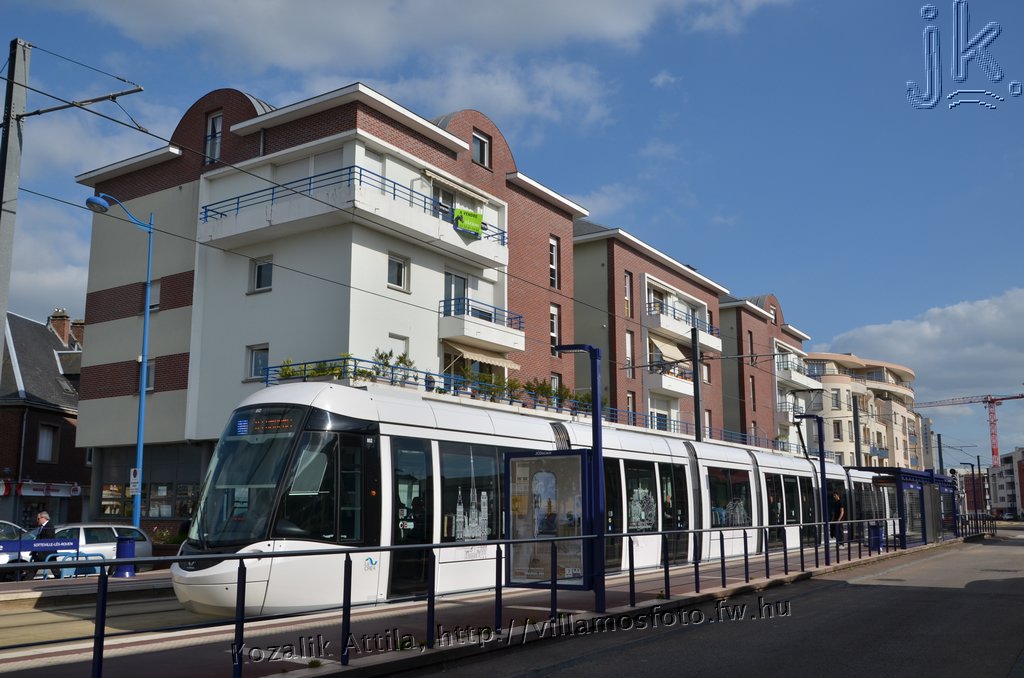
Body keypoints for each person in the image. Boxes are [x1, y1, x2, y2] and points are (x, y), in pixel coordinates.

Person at [30, 511, 60, 579]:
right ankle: (26, 580)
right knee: (33, 569)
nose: (37, 520)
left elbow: (47, 539)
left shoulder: (49, 526)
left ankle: (61, 581)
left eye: (38, 519)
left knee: (55, 570)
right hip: (41, 552)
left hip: (48, 552)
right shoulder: (41, 527)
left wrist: (38, 546)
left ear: (43, 518)